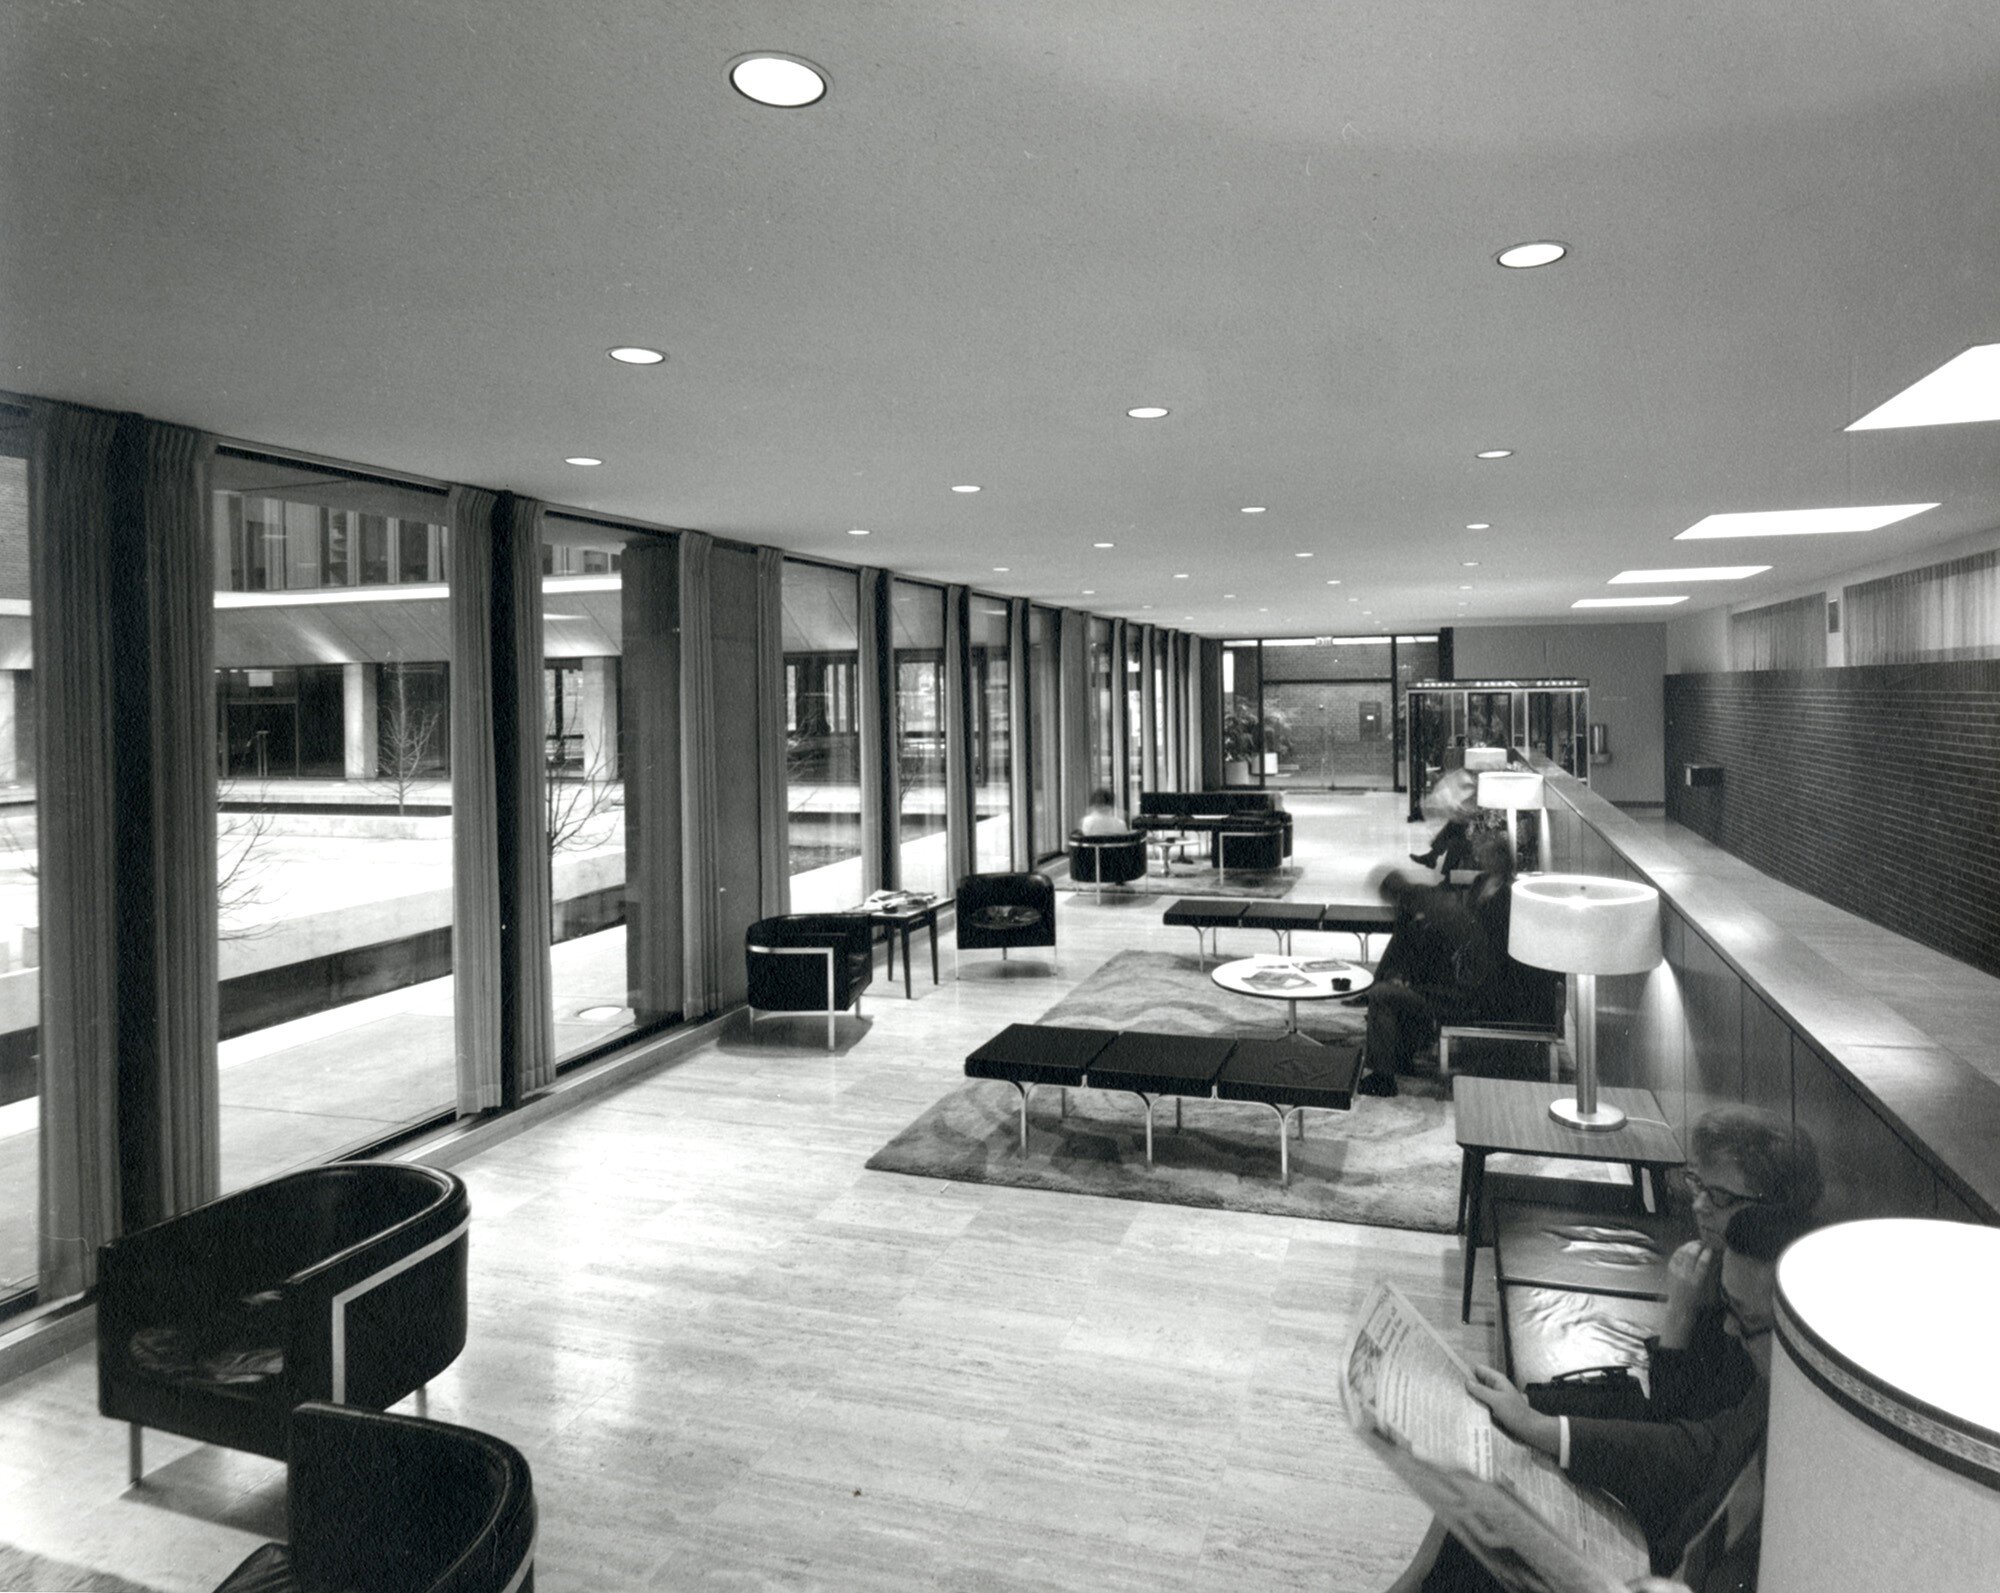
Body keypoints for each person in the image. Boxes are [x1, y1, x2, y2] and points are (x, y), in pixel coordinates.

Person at [1422, 1203, 1816, 1592]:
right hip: (1657, 1557)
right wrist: (1538, 1427)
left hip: (1665, 1567)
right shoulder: (1773, 1386)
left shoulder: (1822, 1469)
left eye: (1747, 1318)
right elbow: (1699, 1448)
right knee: (1492, 1504)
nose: (1731, 1328)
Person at [1358, 831, 1516, 1096]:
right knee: (1403, 987)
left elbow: (1464, 955)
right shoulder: (1461, 890)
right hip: (1462, 976)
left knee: (1382, 995)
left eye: (1485, 852)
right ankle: (1400, 1059)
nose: (1478, 856)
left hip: (1468, 992)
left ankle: (1383, 1077)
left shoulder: (1504, 898)